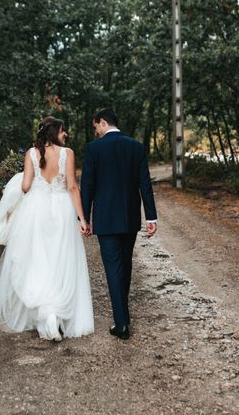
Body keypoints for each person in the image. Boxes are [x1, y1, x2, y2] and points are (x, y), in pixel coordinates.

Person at [0, 116, 94, 341]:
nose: (65, 134)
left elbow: (26, 186)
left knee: (38, 260)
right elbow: (73, 188)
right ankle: (55, 314)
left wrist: (22, 181)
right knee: (61, 260)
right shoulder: (68, 154)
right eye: (63, 130)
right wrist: (82, 219)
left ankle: (46, 313)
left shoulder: (31, 153)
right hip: (62, 209)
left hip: (36, 210)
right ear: (54, 131)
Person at [80, 108, 157, 340]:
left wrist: (83, 217)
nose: (96, 132)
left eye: (96, 127)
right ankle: (123, 314)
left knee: (114, 268)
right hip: (130, 217)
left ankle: (122, 323)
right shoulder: (136, 146)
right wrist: (151, 217)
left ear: (102, 123)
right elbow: (145, 184)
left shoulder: (94, 149)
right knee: (125, 265)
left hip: (105, 218)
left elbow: (88, 186)